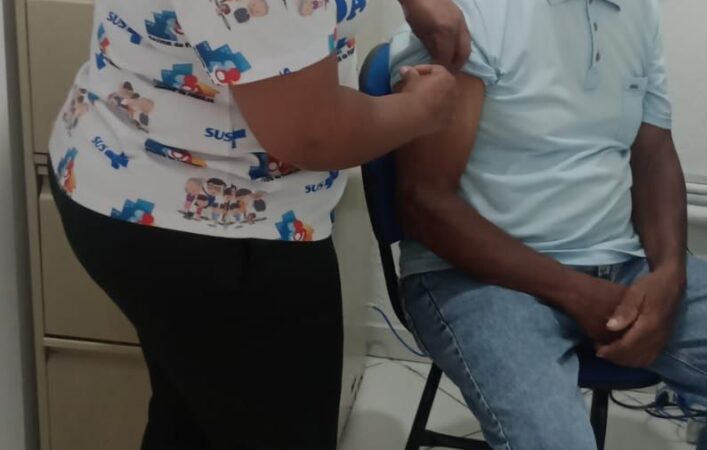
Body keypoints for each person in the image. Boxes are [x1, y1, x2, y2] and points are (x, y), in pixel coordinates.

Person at [48, 0, 471, 449]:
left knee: (193, 419)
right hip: (208, 229)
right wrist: (422, 109)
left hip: (137, 176)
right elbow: (311, 132)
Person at [390, 0, 707, 449]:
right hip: (479, 278)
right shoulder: (475, 12)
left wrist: (670, 274)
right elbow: (424, 202)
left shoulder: (639, 11)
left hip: (620, 264)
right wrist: (576, 292)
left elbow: (653, 151)